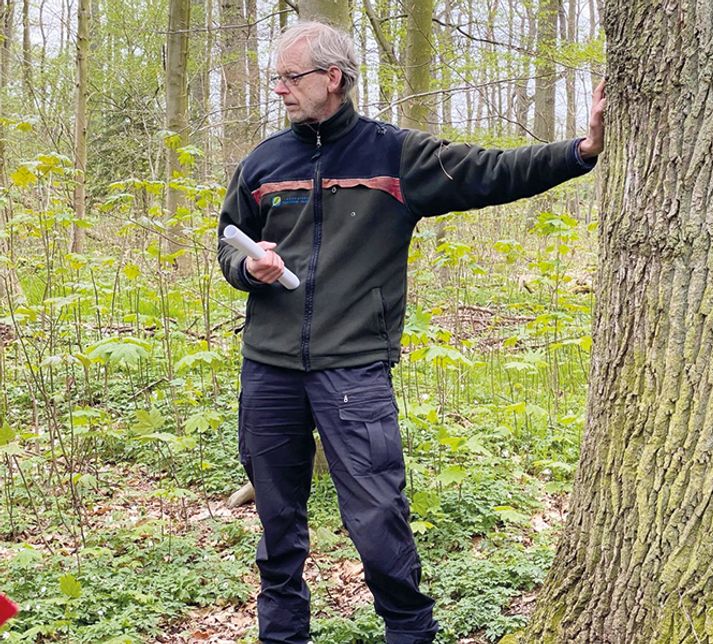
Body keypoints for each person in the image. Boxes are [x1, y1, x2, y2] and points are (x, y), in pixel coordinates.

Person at [217, 20, 606, 644]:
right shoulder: (263, 163)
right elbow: (228, 243)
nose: (280, 90)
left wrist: (580, 153)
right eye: (276, 78)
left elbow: (491, 171)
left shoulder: (394, 156)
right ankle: (282, 636)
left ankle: (409, 632)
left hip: (354, 373)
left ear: (333, 79)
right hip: (268, 371)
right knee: (277, 522)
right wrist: (248, 264)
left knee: (377, 520)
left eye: (291, 78)